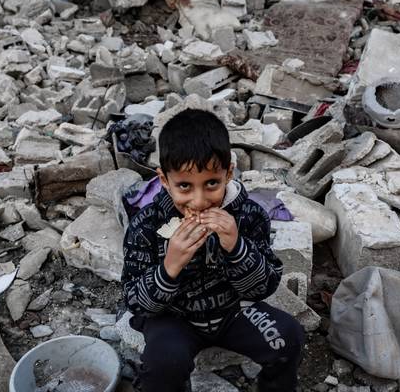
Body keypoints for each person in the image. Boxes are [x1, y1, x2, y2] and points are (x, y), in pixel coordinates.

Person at [121, 108, 305, 391]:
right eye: (184, 186)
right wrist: (169, 267)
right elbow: (134, 302)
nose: (199, 201)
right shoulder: (146, 225)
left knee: (288, 337)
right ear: (164, 180)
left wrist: (236, 246)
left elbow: (263, 288)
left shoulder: (248, 216)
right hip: (174, 317)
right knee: (163, 365)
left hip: (232, 312)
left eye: (211, 184)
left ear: (228, 173)